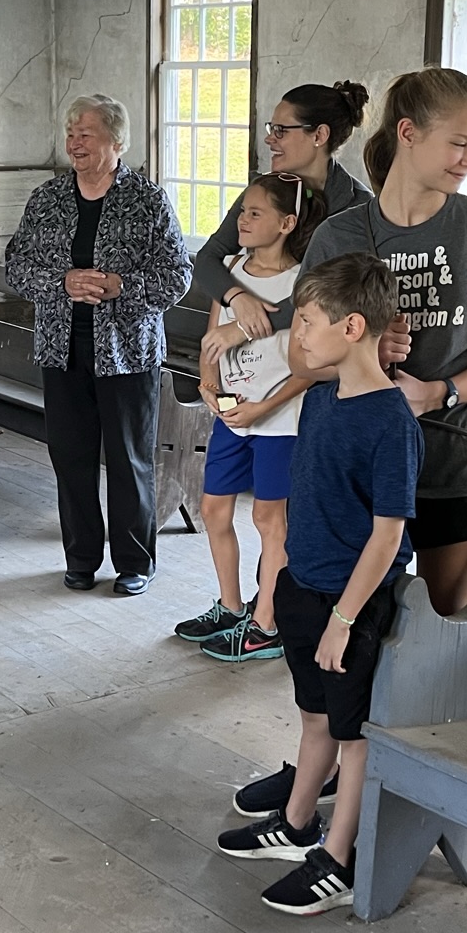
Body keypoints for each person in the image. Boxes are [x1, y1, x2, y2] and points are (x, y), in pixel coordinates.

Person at [230, 67, 467, 823]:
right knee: (334, 638)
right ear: (408, 134)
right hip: (349, 473)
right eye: (458, 142)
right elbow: (305, 354)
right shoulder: (340, 232)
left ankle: (408, 801)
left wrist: (440, 390)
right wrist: (359, 351)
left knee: (430, 647)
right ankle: (328, 775)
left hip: (452, 464)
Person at [215, 254, 420, 916]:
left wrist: (344, 618)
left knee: (353, 734)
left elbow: (387, 536)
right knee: (314, 714)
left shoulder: (391, 422)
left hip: (349, 603)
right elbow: (300, 368)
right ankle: (297, 822)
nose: (295, 334)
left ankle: (339, 856)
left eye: (306, 321)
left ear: (353, 326)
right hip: (305, 585)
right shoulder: (325, 392)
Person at [4, 94, 191, 595]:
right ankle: (81, 558)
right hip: (60, 348)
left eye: (86, 133)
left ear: (117, 141)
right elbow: (17, 265)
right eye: (70, 133)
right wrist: (60, 283)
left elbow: (178, 276)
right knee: (71, 456)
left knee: (130, 459)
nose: (75, 142)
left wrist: (120, 286)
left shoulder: (147, 200)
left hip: (127, 352)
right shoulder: (47, 199)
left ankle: (135, 562)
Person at [175, 175, 324, 663]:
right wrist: (208, 385)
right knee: (215, 510)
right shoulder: (230, 273)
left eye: (255, 212)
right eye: (242, 209)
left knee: (268, 518)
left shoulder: (302, 282)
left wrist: (266, 406)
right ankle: (230, 606)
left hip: (279, 420)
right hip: (231, 415)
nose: (242, 218)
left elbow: (315, 363)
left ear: (287, 223)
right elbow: (210, 337)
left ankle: (266, 623)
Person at [194, 80, 373, 380]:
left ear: (319, 135)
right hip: (258, 367)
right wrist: (238, 299)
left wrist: (243, 327)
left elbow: (334, 298)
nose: (269, 140)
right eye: (270, 128)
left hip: (319, 372)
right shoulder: (262, 191)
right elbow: (207, 259)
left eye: (281, 130)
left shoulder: (357, 206)